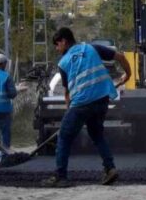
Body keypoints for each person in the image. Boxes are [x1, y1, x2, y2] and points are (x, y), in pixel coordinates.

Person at [42, 27, 132, 188]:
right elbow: (120, 57)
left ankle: (60, 175)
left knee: (64, 136)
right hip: (102, 99)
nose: (57, 49)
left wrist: (69, 110)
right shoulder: (91, 48)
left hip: (82, 103)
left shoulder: (63, 63)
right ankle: (110, 168)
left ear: (64, 41)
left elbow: (68, 93)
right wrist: (128, 74)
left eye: (57, 45)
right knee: (97, 134)